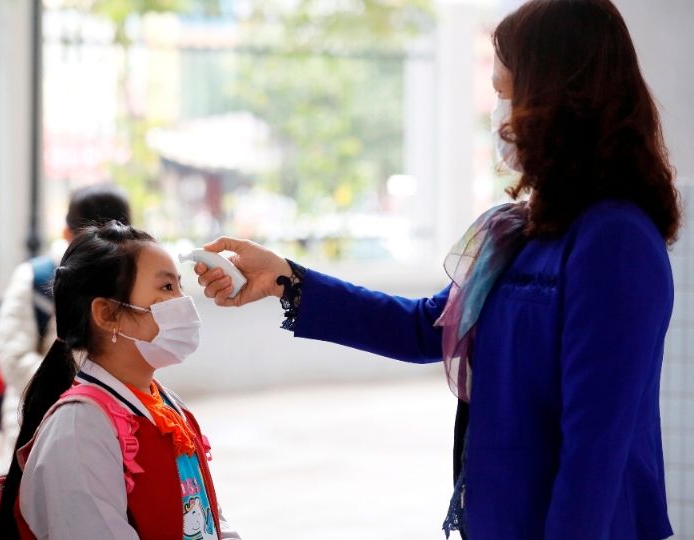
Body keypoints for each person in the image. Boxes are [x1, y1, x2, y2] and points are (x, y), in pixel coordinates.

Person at [194, 1, 679, 538]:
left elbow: (595, 449)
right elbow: (428, 325)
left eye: (504, 93)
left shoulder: (615, 242)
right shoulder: (519, 230)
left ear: (557, 100)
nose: (497, 115)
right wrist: (286, 277)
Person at [0, 221, 240, 539]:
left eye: (179, 286)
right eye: (166, 288)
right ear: (107, 314)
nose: (183, 302)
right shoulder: (78, 428)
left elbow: (209, 521)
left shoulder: (164, 404)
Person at [0, 184, 132, 470]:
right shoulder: (36, 280)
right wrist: (86, 390)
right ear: (67, 235)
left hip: (114, 423)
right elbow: (14, 358)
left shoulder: (131, 284)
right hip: (37, 424)